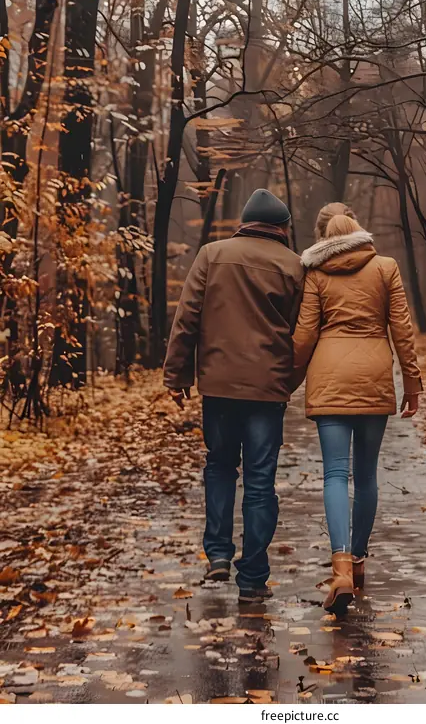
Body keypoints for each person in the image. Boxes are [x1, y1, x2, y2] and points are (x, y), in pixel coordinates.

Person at [164, 188, 304, 604]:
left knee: (221, 466)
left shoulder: (211, 254)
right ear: (281, 227)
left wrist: (177, 374)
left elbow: (187, 316)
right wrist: (287, 382)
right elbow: (301, 333)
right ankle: (254, 575)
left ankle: (219, 556)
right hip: (267, 389)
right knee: (261, 480)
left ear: (246, 221)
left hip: (219, 387)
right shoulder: (294, 266)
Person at [292, 208, 422, 615]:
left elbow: (304, 335)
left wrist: (286, 381)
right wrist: (412, 381)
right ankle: (361, 562)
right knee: (365, 475)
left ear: (323, 238)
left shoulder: (314, 273)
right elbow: (401, 328)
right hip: (373, 374)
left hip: (329, 376)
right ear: (360, 233)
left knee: (334, 473)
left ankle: (341, 566)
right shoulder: (385, 267)